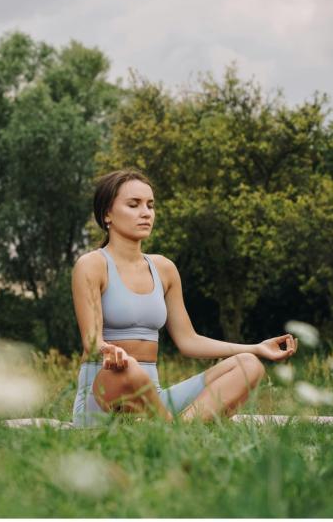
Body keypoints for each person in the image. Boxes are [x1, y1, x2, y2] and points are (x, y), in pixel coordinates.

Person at [71, 169, 297, 426]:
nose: (146, 213)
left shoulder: (164, 269)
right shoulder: (92, 265)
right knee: (128, 368)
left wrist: (255, 348)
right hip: (103, 396)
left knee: (249, 365)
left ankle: (179, 430)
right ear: (107, 214)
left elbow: (188, 341)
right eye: (133, 205)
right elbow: (92, 342)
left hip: (153, 401)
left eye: (150, 205)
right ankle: (170, 429)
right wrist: (111, 351)